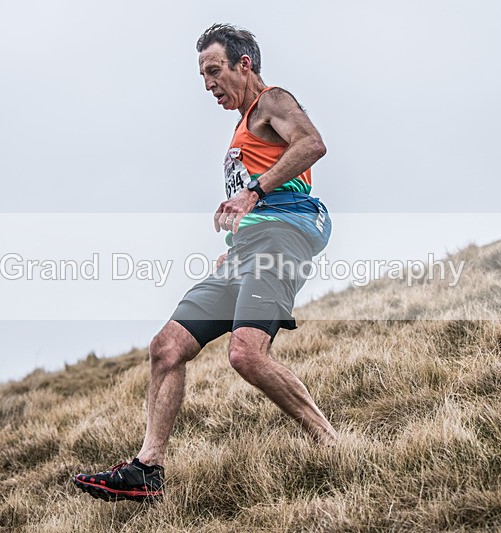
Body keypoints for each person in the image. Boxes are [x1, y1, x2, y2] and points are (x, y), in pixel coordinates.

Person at [73, 23, 337, 502]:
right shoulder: (241, 129)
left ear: (245, 64)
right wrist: (238, 235)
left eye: (215, 71)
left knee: (246, 354)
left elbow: (311, 144)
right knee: (166, 347)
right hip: (247, 251)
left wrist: (252, 193)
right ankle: (148, 469)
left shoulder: (272, 101)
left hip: (282, 239)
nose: (209, 84)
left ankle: (330, 442)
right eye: (203, 77)